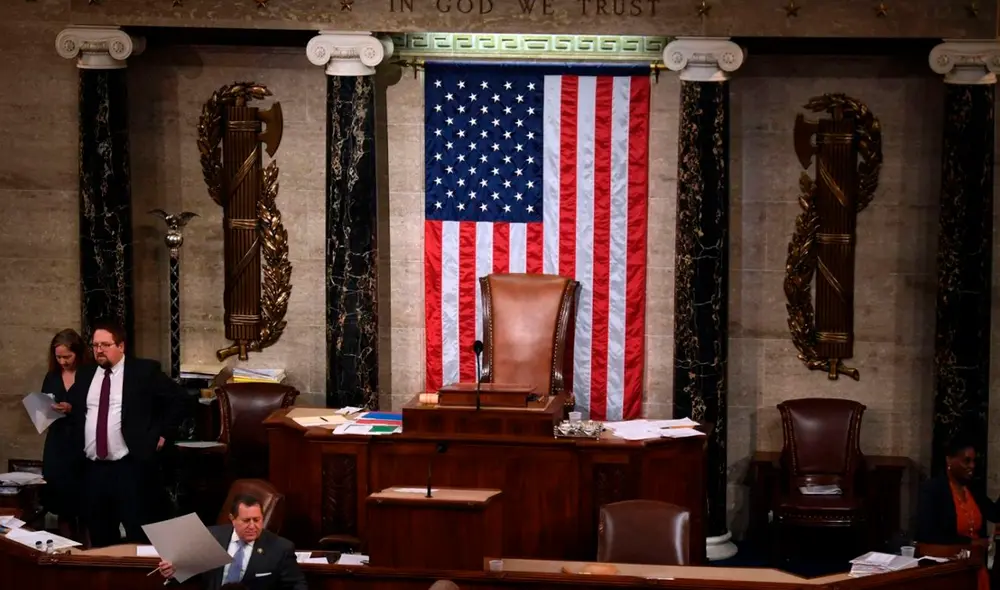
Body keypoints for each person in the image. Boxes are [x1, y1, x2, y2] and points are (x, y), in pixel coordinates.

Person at [55, 319, 187, 547]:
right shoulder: (86, 375)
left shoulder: (143, 372)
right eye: (96, 345)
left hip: (130, 467)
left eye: (105, 345)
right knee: (101, 537)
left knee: (138, 535)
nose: (99, 350)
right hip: (94, 469)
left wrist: (164, 433)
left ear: (121, 346)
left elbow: (179, 400)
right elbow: (80, 412)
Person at [158, 494, 307, 590]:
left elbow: (297, 586)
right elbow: (193, 574)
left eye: (257, 520)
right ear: (232, 518)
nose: (252, 526)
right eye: (246, 520)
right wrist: (174, 572)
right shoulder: (211, 537)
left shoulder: (280, 548)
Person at [914, 436, 998, 590]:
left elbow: (995, 514)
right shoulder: (933, 490)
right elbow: (926, 533)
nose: (972, 466)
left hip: (976, 567)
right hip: (949, 570)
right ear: (949, 460)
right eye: (966, 461)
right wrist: (970, 543)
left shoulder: (973, 489)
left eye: (973, 461)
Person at [40, 329, 91, 537]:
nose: (63, 361)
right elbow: (43, 405)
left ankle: (89, 553)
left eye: (67, 357)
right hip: (58, 443)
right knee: (62, 502)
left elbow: (100, 408)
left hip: (84, 442)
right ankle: (64, 550)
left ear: (77, 353)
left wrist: (73, 409)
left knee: (86, 503)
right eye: (59, 357)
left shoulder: (89, 374)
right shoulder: (52, 376)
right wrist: (46, 410)